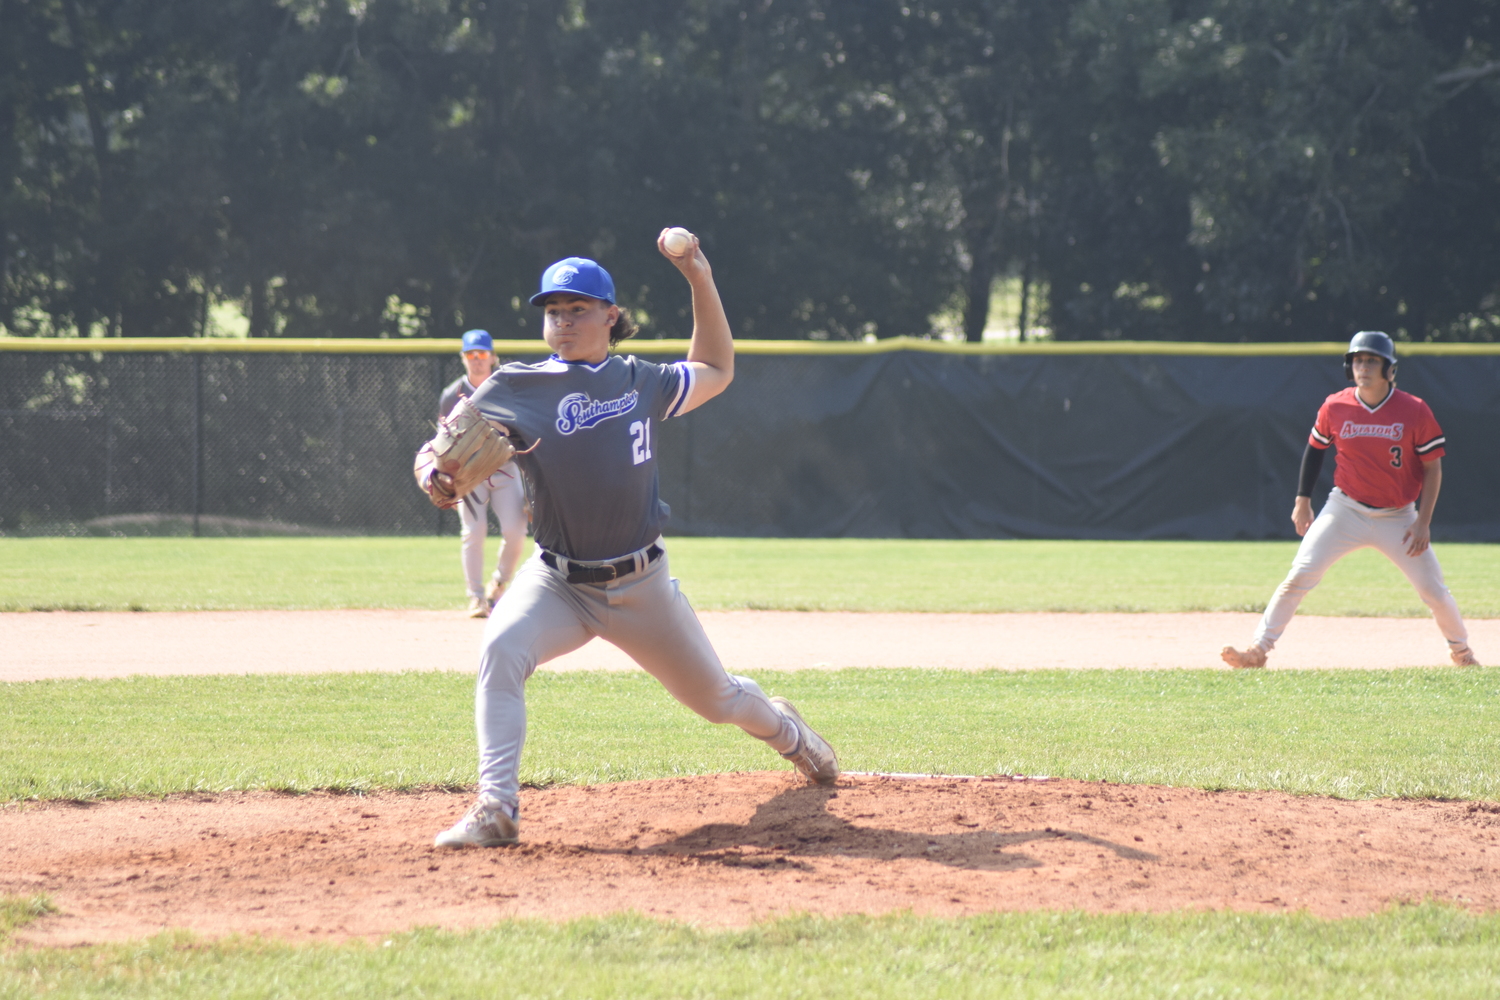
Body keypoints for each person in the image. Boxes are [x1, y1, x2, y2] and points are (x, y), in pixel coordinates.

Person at [431, 232, 839, 848]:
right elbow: (437, 449)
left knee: (720, 700)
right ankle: (496, 808)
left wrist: (699, 275)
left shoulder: (640, 380)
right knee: (501, 652)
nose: (562, 322)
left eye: (577, 309)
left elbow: (718, 368)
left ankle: (793, 736)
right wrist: (433, 473)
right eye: (552, 311)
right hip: (557, 582)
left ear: (610, 316)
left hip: (641, 584)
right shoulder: (517, 385)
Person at [1222, 331, 1480, 670]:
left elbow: (1433, 469)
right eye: (1357, 360)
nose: (1363, 366)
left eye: (1372, 360)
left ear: (1390, 369)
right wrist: (1303, 500)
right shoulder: (1336, 405)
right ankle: (1258, 651)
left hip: (1398, 516)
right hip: (1345, 509)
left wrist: (1423, 522)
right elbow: (1315, 450)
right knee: (1298, 576)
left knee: (1433, 591)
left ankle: (1463, 655)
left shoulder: (1414, 410)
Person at [439, 329, 528, 618]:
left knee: (516, 531)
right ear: (464, 358)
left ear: (492, 357)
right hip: (469, 475)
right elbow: (443, 444)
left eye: (482, 354)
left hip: (506, 469)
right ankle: (476, 598)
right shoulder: (451, 395)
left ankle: (499, 584)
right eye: (470, 354)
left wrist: (533, 483)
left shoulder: (507, 387)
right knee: (473, 533)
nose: (477, 360)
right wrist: (444, 479)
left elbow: (525, 431)